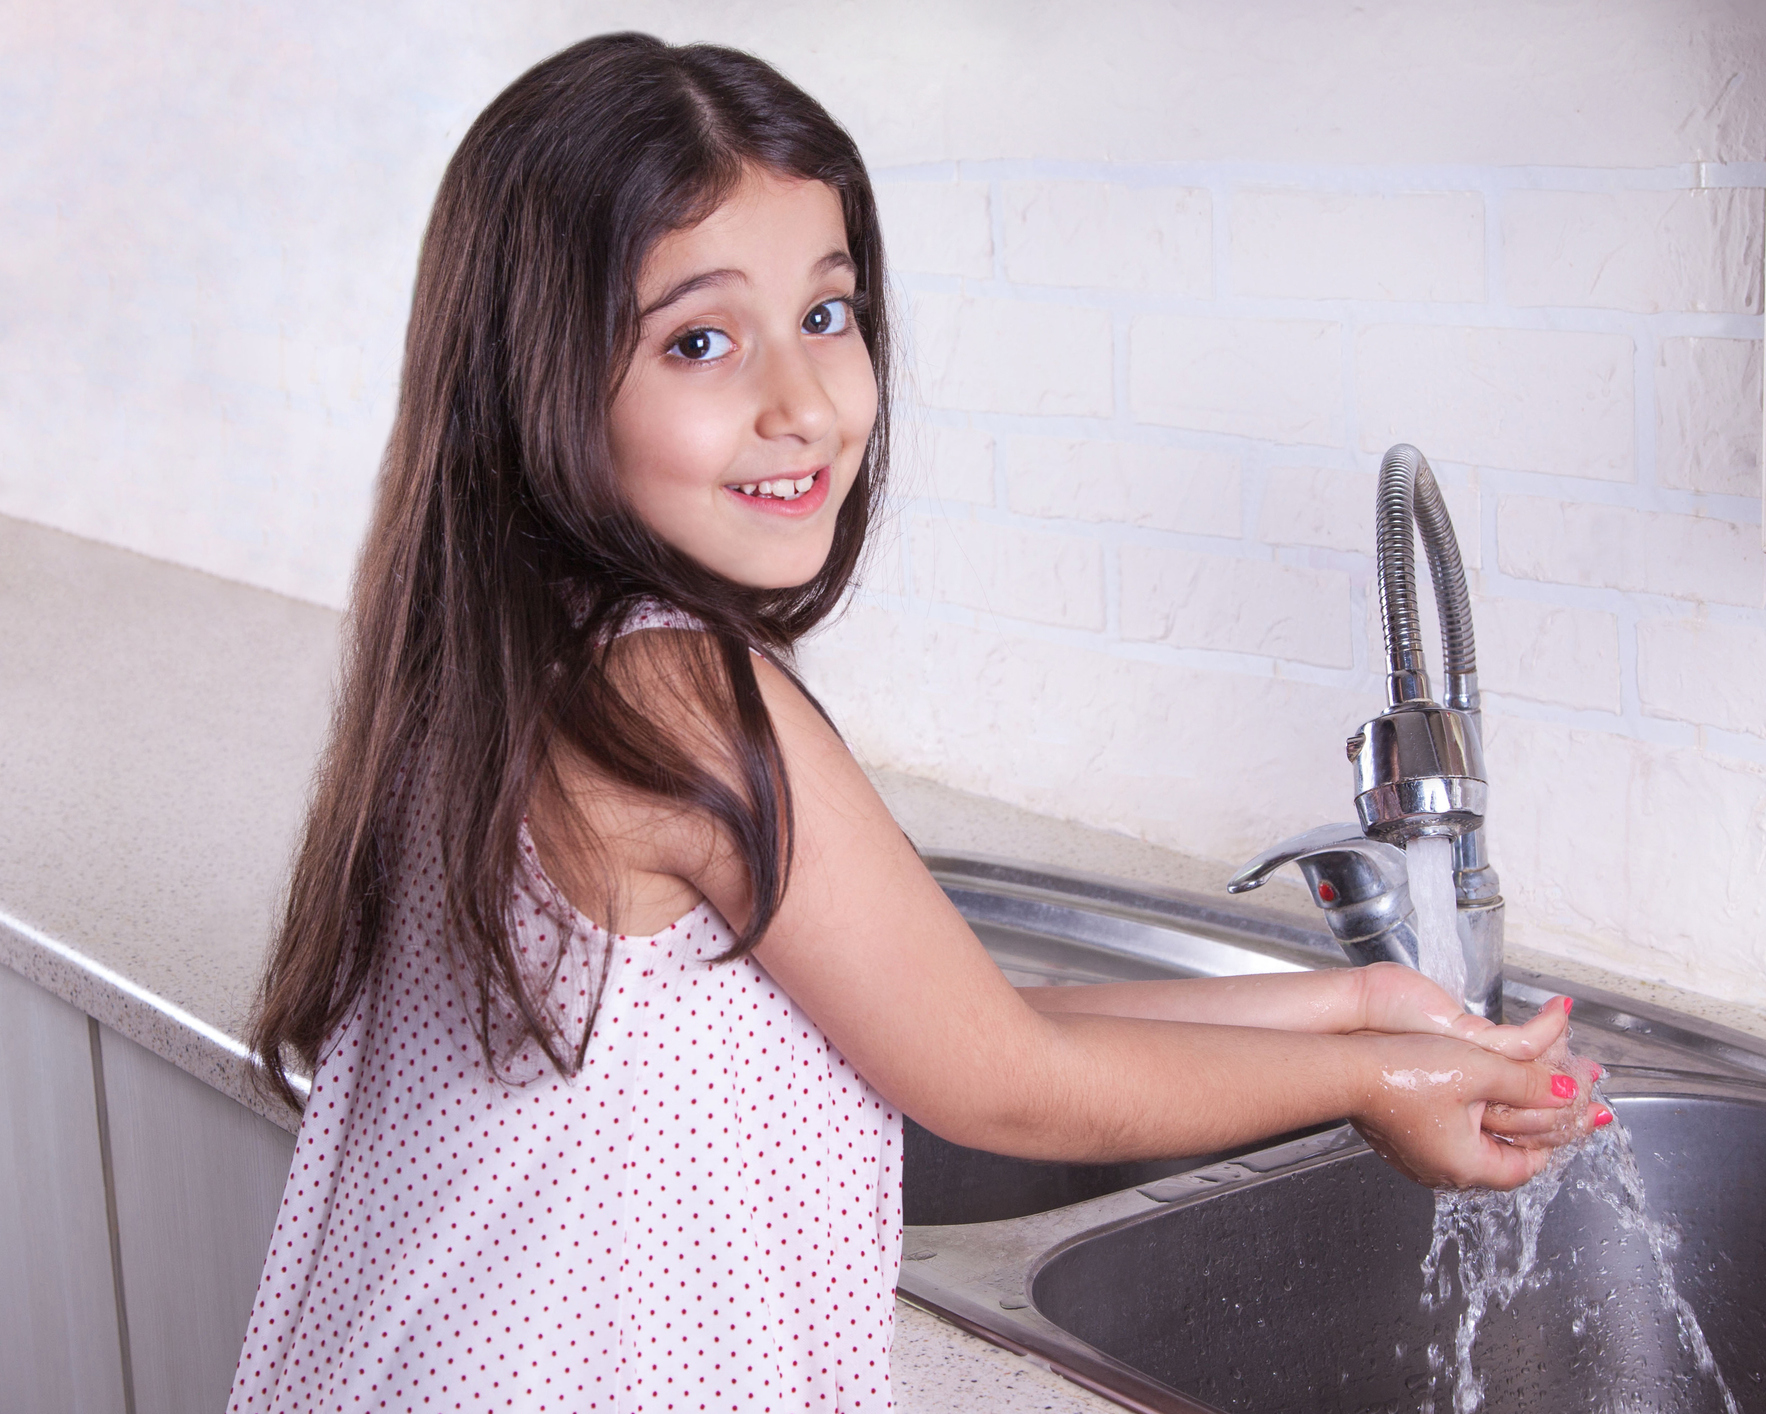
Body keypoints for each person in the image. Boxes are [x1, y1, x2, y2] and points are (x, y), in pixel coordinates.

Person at [228, 33, 1603, 1413]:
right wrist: (1371, 1081)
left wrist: (1357, 1008)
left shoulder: (505, 656)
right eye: (699, 340)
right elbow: (1004, 1081)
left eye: (827, 314)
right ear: (532, 376)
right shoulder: (675, 699)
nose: (803, 402)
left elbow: (947, 1013)